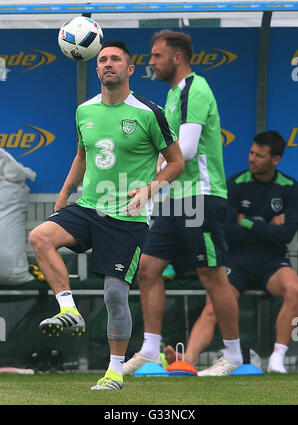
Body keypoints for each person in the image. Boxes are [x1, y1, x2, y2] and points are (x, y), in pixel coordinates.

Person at [29, 40, 184, 390]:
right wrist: (66, 192)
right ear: (95, 68)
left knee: (114, 295)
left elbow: (176, 162)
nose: (108, 64)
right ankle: (68, 308)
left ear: (130, 70)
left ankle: (114, 371)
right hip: (88, 207)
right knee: (39, 237)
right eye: (102, 60)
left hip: (127, 218)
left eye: (116, 59)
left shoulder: (148, 112)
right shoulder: (84, 110)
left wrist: (149, 190)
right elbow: (83, 154)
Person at [123, 30, 243, 376]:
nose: (151, 62)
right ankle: (149, 349)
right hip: (174, 199)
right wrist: (153, 185)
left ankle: (233, 355)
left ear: (178, 57)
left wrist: (149, 187)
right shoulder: (173, 95)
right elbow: (172, 156)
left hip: (201, 197)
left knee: (212, 275)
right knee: (147, 269)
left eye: (157, 56)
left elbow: (186, 152)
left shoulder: (195, 88)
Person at [163, 130, 298, 375]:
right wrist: (266, 226)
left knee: (296, 289)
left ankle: (277, 359)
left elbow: (285, 235)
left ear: (275, 160)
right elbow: (227, 231)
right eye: (251, 153)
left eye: (259, 155)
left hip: (272, 262)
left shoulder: (291, 188)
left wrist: (245, 221)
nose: (252, 159)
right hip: (235, 260)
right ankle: (188, 360)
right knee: (214, 303)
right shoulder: (235, 184)